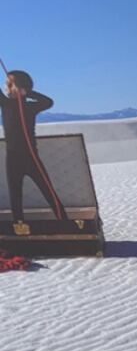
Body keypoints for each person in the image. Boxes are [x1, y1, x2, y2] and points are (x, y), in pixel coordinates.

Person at [0, 70, 69, 231]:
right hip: (12, 158)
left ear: (20, 87)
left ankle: (66, 225)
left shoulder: (30, 106)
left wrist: (27, 92)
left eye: (9, 84)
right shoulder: (5, 103)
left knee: (48, 191)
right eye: (6, 84)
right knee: (15, 196)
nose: (6, 86)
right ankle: (19, 228)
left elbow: (48, 102)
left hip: (31, 157)